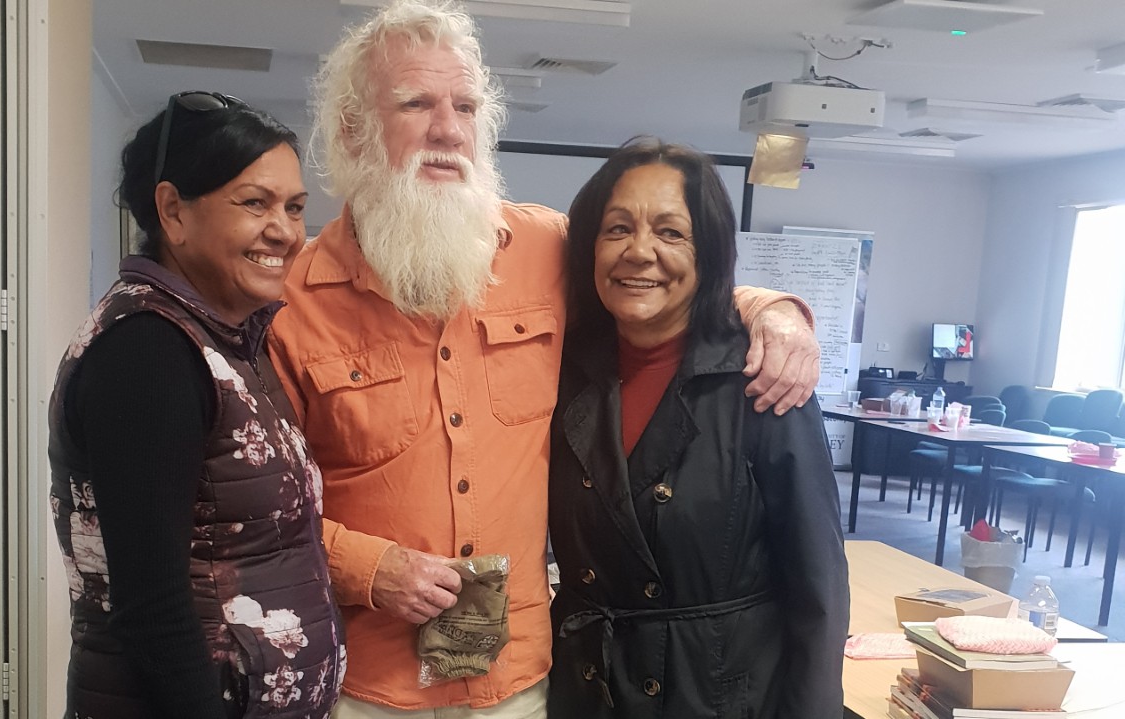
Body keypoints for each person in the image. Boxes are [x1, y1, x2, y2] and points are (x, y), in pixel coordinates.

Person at [268, 1, 821, 716]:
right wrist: (369, 567)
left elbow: (657, 278)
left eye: (465, 105)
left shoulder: (543, 250)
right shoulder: (289, 300)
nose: (447, 129)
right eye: (415, 104)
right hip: (368, 687)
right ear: (353, 129)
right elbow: (260, 511)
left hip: (525, 684)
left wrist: (775, 310)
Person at [48, 92, 344, 719]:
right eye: (254, 203)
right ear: (173, 211)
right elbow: (152, 609)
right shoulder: (148, 351)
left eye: (294, 208)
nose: (286, 232)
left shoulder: (229, 339)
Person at [546, 139, 848, 718]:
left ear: (707, 251)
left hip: (716, 694)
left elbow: (819, 589)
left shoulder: (761, 378)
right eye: (616, 229)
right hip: (588, 688)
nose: (639, 252)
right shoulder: (562, 372)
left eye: (670, 232)